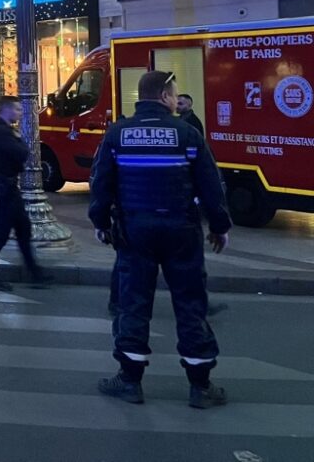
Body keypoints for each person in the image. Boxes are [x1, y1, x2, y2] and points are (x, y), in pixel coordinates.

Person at [90, 70, 232, 409]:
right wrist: (219, 226)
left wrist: (101, 222)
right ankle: (200, 386)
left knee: (133, 303)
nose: (177, 99)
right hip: (181, 229)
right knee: (190, 302)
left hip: (135, 229)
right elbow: (211, 186)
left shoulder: (117, 134)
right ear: (165, 97)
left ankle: (129, 381)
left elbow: (101, 182)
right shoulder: (188, 134)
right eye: (175, 94)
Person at [0, 94, 52, 292]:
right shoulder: (2, 133)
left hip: (8, 185)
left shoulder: (1, 131)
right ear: (7, 110)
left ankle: (34, 272)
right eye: (17, 109)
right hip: (5, 185)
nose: (20, 113)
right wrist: (20, 141)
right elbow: (22, 153)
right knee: (0, 231)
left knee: (22, 228)